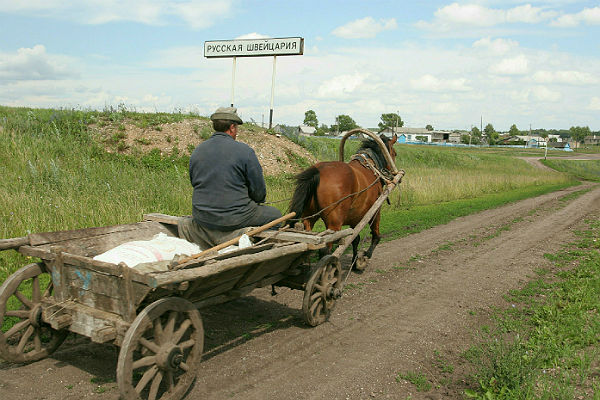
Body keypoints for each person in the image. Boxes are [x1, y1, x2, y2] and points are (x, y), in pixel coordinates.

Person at [179, 106, 282, 249]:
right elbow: (259, 193)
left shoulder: (198, 151)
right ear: (232, 127)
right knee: (276, 216)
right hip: (235, 218)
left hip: (202, 217)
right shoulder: (245, 152)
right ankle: (257, 249)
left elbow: (194, 182)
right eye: (237, 128)